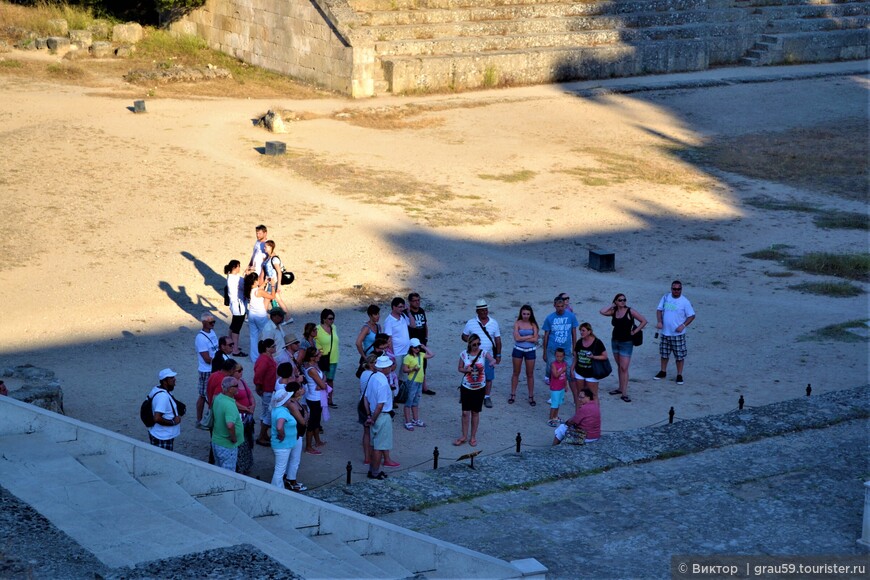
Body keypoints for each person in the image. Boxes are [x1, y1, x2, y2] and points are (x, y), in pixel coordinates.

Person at [600, 293, 648, 402]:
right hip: (615, 341)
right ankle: (620, 388)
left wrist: (635, 331)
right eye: (620, 300)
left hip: (626, 342)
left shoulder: (630, 311)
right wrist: (612, 305)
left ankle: (625, 393)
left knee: (624, 368)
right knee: (619, 366)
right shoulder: (614, 312)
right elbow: (602, 311)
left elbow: (644, 321)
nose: (623, 302)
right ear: (616, 301)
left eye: (624, 300)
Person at [455, 333, 496, 447]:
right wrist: (466, 370)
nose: (477, 346)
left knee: (475, 412)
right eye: (474, 344)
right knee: (465, 412)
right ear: (469, 344)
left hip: (479, 387)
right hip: (467, 386)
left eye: (478, 343)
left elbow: (492, 359)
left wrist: (492, 363)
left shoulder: (483, 353)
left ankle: (473, 437)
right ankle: (464, 436)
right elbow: (459, 368)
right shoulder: (464, 354)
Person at [461, 299, 501, 409]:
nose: (484, 312)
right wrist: (471, 340)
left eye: (486, 310)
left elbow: (497, 340)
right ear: (477, 311)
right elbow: (463, 336)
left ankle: (487, 396)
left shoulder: (494, 323)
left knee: (488, 376)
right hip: (473, 354)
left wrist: (498, 355)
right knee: (470, 375)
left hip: (488, 354)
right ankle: (467, 393)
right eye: (482, 310)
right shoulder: (471, 323)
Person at [655, 280, 696, 385]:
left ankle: (679, 374)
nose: (676, 291)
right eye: (674, 289)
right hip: (665, 332)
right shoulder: (665, 297)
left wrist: (683, 325)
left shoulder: (685, 302)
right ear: (671, 289)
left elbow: (691, 315)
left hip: (677, 334)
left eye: (678, 289)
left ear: (681, 289)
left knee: (679, 355)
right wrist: (659, 321)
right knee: (664, 354)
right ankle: (663, 371)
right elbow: (659, 310)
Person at [364, 355, 397, 480]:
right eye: (389, 366)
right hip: (382, 416)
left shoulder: (373, 377)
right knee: (379, 446)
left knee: (374, 445)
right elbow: (380, 405)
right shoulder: (383, 383)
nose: (390, 367)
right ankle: (375, 473)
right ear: (384, 368)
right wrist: (373, 418)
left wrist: (369, 416)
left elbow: (366, 399)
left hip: (373, 414)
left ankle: (372, 470)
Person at [541, 296, 579, 387]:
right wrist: (545, 352)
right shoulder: (549, 318)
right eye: (558, 306)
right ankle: (554, 392)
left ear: (564, 306)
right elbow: (546, 335)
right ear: (554, 306)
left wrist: (574, 348)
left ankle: (573, 396)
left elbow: (574, 333)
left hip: (566, 348)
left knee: (569, 370)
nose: (560, 308)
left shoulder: (571, 316)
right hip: (552, 347)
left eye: (562, 306)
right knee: (553, 371)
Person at [401, 338, 435, 431]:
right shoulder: (407, 357)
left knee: (416, 401)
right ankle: (408, 421)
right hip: (412, 381)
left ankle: (415, 419)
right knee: (409, 402)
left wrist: (425, 347)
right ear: (411, 348)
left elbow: (432, 354)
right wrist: (412, 369)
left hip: (419, 382)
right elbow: (404, 370)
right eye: (415, 347)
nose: (417, 349)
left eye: (418, 347)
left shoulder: (421, 355)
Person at [211, 376, 244, 471]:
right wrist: (234, 438)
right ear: (230, 389)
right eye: (236, 385)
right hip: (227, 445)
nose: (238, 387)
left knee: (218, 470)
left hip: (216, 441)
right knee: (228, 474)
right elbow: (230, 425)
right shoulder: (229, 405)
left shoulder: (218, 398)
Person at [510, 304, 539, 405]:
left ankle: (531, 396)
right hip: (518, 349)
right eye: (524, 314)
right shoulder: (517, 323)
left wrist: (523, 337)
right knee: (516, 373)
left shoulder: (533, 324)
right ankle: (513, 394)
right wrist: (529, 336)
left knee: (530, 374)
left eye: (527, 314)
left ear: (530, 314)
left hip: (530, 350)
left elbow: (535, 339)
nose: (526, 316)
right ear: (521, 314)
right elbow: (516, 338)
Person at [269, 387, 298, 488]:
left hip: (282, 444)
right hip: (283, 445)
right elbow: (279, 427)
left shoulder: (277, 409)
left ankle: (278, 489)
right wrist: (282, 434)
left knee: (280, 468)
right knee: (280, 470)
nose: (290, 399)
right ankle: (276, 490)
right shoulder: (282, 412)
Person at [244, 271, 275, 364]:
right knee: (267, 334)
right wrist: (272, 285)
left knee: (253, 336)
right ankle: (267, 354)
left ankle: (254, 358)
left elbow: (258, 290)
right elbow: (272, 296)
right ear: (255, 281)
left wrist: (265, 283)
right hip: (260, 316)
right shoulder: (259, 291)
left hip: (252, 315)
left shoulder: (250, 289)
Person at [301, 346, 328, 455]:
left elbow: (323, 379)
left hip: (317, 396)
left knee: (317, 420)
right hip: (314, 398)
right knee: (313, 422)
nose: (320, 355)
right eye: (317, 354)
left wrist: (322, 382)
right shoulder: (311, 369)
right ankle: (308, 446)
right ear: (312, 357)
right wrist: (322, 383)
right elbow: (322, 384)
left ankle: (317, 441)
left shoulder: (313, 365)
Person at [408, 292, 435, 396]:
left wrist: (426, 337)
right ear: (410, 302)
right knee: (412, 364)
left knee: (423, 364)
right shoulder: (407, 313)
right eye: (414, 300)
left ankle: (424, 387)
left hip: (422, 342)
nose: (417, 302)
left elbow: (425, 325)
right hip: (413, 343)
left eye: (418, 300)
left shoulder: (422, 311)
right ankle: (414, 387)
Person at [147, 368, 182, 451]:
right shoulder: (163, 397)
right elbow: (157, 418)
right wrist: (173, 422)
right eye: (171, 378)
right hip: (163, 436)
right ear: (164, 381)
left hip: (160, 434)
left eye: (173, 377)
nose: (174, 379)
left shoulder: (157, 389)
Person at [573, 323, 608, 402]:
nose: (581, 332)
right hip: (579, 371)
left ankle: (594, 413)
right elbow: (575, 357)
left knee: (593, 395)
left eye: (583, 330)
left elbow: (605, 356)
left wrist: (594, 357)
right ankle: (579, 413)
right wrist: (572, 369)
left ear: (589, 331)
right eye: (580, 331)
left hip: (592, 373)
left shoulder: (597, 342)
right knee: (580, 394)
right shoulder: (579, 342)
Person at [194, 312, 218, 430]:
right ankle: (200, 420)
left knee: (209, 396)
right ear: (203, 323)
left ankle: (207, 419)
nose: (213, 324)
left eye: (214, 321)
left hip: (213, 368)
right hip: (206, 370)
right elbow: (207, 358)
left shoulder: (212, 332)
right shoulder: (200, 338)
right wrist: (219, 361)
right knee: (204, 395)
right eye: (210, 322)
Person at [253, 338, 278, 446]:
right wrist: (258, 387)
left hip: (269, 388)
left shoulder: (267, 357)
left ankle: (263, 435)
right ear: (267, 348)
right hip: (267, 389)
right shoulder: (264, 359)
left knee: (265, 412)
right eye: (273, 346)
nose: (275, 347)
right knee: (268, 413)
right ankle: (261, 436)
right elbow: (258, 375)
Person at [284, 380, 308, 492]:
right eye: (298, 389)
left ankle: (288, 478)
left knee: (292, 457)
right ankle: (292, 481)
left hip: (296, 433)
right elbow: (302, 421)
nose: (301, 390)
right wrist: (306, 416)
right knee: (295, 458)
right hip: (295, 434)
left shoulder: (294, 402)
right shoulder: (292, 404)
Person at [314, 309, 339, 408]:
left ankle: (329, 400)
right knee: (321, 380)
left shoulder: (334, 327)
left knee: (330, 380)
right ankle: (321, 400)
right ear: (324, 319)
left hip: (333, 359)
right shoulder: (317, 329)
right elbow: (314, 342)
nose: (332, 321)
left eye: (333, 319)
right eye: (330, 319)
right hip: (322, 358)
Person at [224, 260, 248, 357]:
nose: (239, 268)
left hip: (234, 305)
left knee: (233, 325)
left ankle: (229, 343)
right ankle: (235, 350)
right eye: (238, 266)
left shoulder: (230, 276)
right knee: (236, 328)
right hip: (239, 306)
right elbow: (246, 284)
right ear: (235, 267)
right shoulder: (236, 279)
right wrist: (247, 275)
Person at [262, 240, 291, 318]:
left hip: (273, 283)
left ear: (271, 247)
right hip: (271, 283)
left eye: (266, 247)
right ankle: (288, 318)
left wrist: (278, 286)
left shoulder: (274, 259)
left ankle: (261, 318)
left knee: (266, 300)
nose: (264, 248)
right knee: (279, 300)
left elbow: (279, 272)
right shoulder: (269, 257)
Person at [383, 297, 414, 364]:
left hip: (406, 351)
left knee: (405, 373)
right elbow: (389, 339)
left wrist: (409, 312)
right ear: (394, 307)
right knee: (396, 373)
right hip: (397, 353)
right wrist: (392, 355)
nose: (402, 309)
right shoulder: (389, 321)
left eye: (403, 307)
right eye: (400, 307)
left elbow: (413, 325)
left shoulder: (403, 316)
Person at [547, 348, 568, 427]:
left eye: (560, 356)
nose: (559, 358)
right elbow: (555, 375)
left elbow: (565, 376)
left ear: (563, 356)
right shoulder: (553, 364)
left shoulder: (564, 364)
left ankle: (555, 417)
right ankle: (550, 419)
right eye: (557, 356)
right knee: (554, 404)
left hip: (561, 387)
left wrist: (566, 385)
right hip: (555, 388)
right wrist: (562, 370)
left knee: (558, 403)